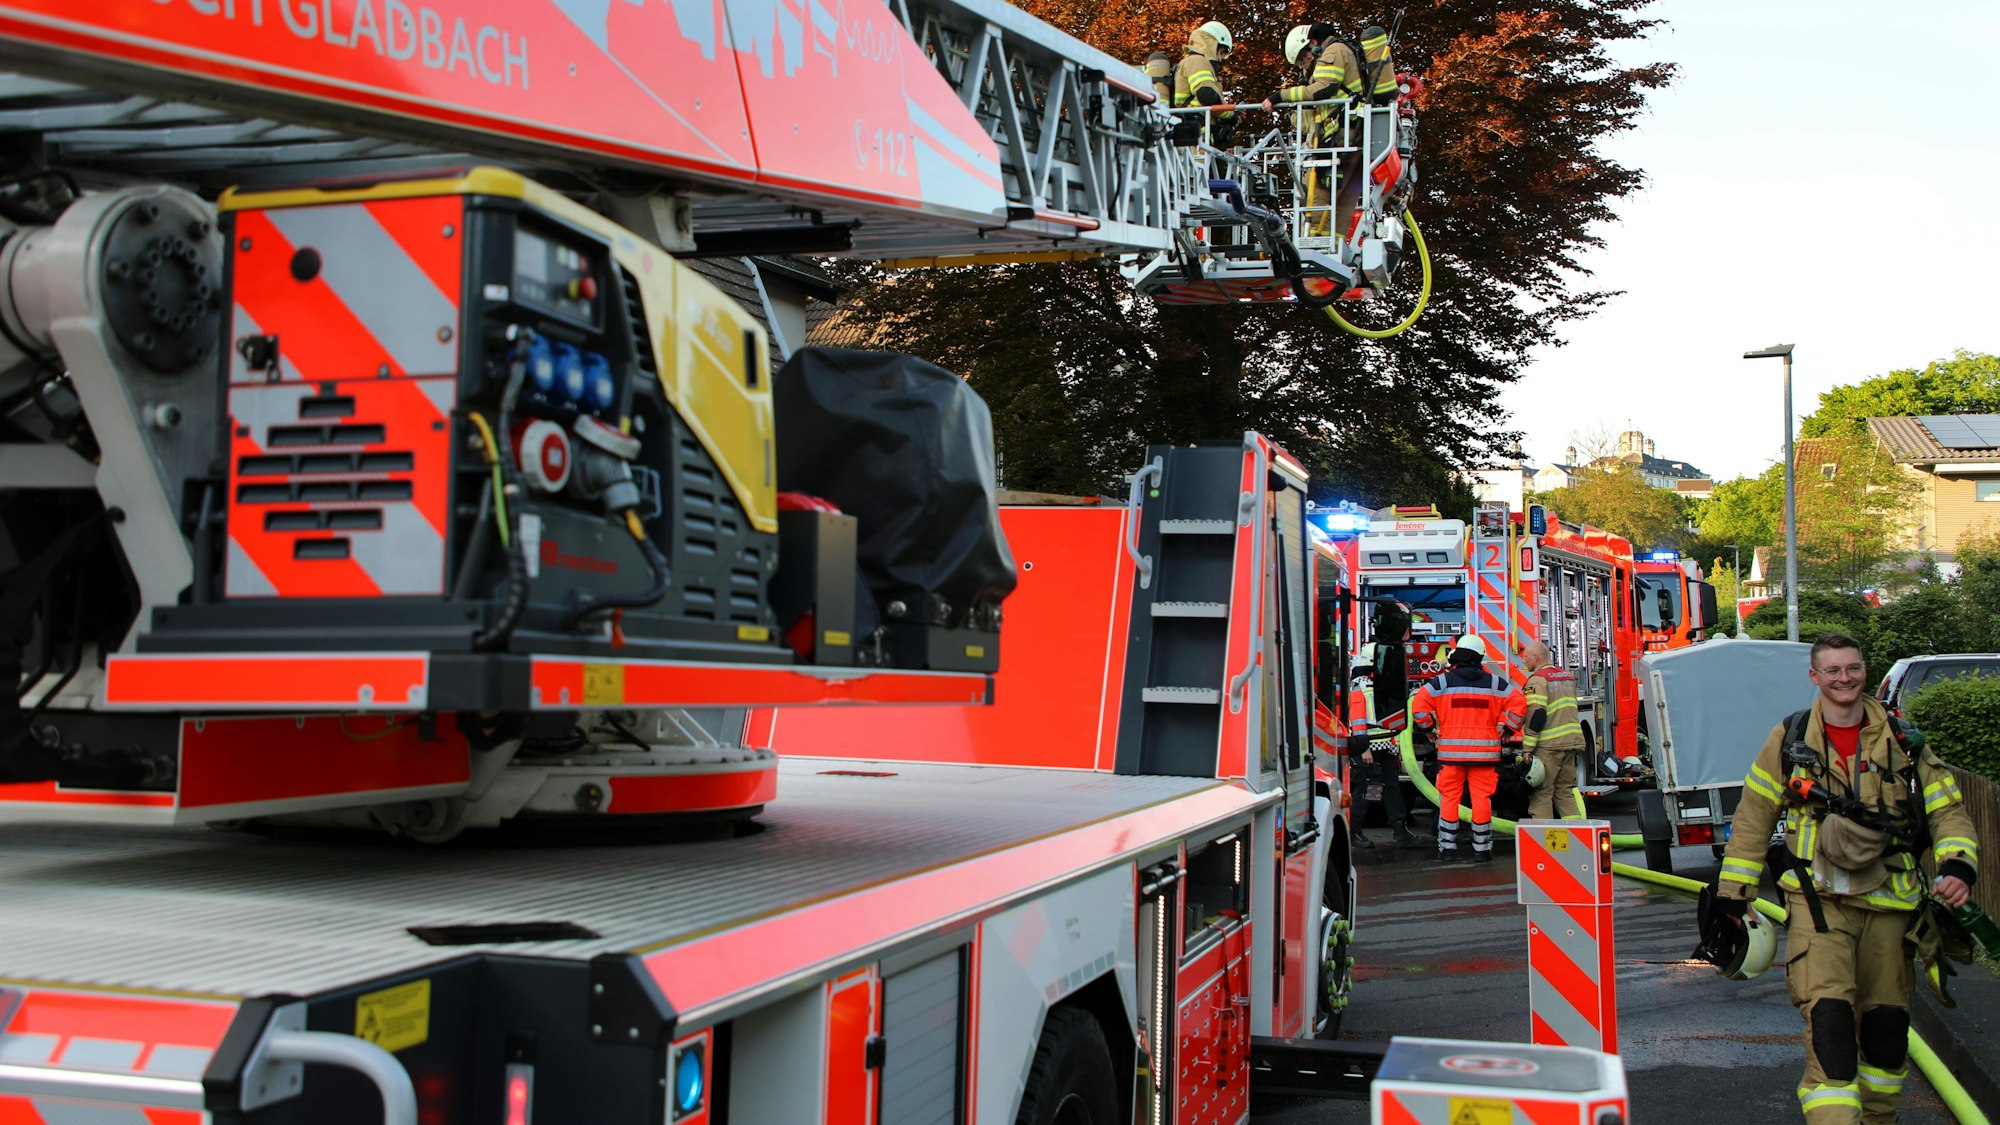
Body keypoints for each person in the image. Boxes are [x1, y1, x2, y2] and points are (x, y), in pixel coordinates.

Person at [1713, 633, 1979, 1124]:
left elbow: (1947, 810)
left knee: (1886, 1027)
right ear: (1814, 676)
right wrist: (1733, 896)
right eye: (1832, 670)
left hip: (1892, 905)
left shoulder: (1903, 740)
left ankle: (1879, 1118)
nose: (1844, 679)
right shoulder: (1791, 740)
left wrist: (1958, 865)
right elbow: (1754, 817)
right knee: (1830, 1022)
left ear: (1864, 670)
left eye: (1852, 668)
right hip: (1819, 905)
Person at [1259, 22, 1395, 236]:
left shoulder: (1333, 51)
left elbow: (1324, 88)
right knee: (1341, 203)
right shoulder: (1346, 51)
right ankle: (1334, 251)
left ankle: (1314, 246)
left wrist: (1280, 96)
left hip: (1338, 137)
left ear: (1311, 45)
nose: (1305, 64)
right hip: (1355, 136)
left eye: (1303, 58)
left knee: (1317, 196)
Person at [1409, 634, 1525, 863]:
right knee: (1481, 798)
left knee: (1450, 798)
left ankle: (1447, 849)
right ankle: (1482, 850)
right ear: (1479, 657)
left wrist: (1429, 729)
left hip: (1451, 755)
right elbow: (1520, 704)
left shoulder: (1441, 682)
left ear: (1457, 655)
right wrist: (1509, 730)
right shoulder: (1494, 683)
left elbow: (1418, 706)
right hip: (1484, 755)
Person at [1347, 643, 1428, 848]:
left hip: (1387, 744)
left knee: (1392, 788)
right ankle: (1355, 832)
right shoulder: (1360, 685)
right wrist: (1363, 747)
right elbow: (1357, 720)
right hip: (1366, 745)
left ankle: (1400, 830)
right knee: (1362, 791)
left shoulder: (1382, 683)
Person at [1520, 640, 1585, 820]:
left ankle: (1543, 843)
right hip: (1571, 742)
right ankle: (1577, 837)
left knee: (1542, 794)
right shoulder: (1566, 676)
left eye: (1526, 657)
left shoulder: (1538, 680)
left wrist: (1528, 748)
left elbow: (1536, 715)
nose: (1524, 661)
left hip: (1549, 746)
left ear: (1535, 657)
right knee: (1565, 792)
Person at [1169, 21, 1236, 145]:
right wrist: (1231, 115)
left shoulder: (1191, 61)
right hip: (1195, 137)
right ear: (1212, 45)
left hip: (1194, 135)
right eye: (1221, 53)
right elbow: (1207, 95)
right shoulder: (1198, 61)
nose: (1220, 59)